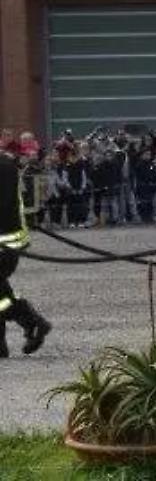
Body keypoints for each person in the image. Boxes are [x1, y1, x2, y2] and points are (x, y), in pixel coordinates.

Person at [0, 144, 51, 357]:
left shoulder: (3, 166)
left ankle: (33, 322)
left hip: (5, 241)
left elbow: (2, 204)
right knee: (1, 294)